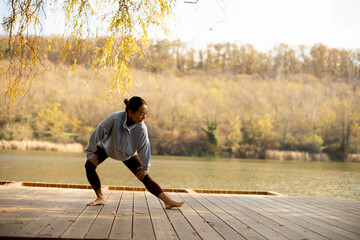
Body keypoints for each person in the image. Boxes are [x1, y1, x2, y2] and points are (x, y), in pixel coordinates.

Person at [84, 96, 185, 209]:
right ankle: (100, 198)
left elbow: (145, 149)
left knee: (144, 177)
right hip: (107, 148)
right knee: (89, 165)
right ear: (131, 112)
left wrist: (145, 168)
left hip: (128, 154)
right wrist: (90, 153)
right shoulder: (115, 118)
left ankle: (168, 201)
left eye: (145, 114)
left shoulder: (141, 129)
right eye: (141, 114)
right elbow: (97, 133)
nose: (144, 117)